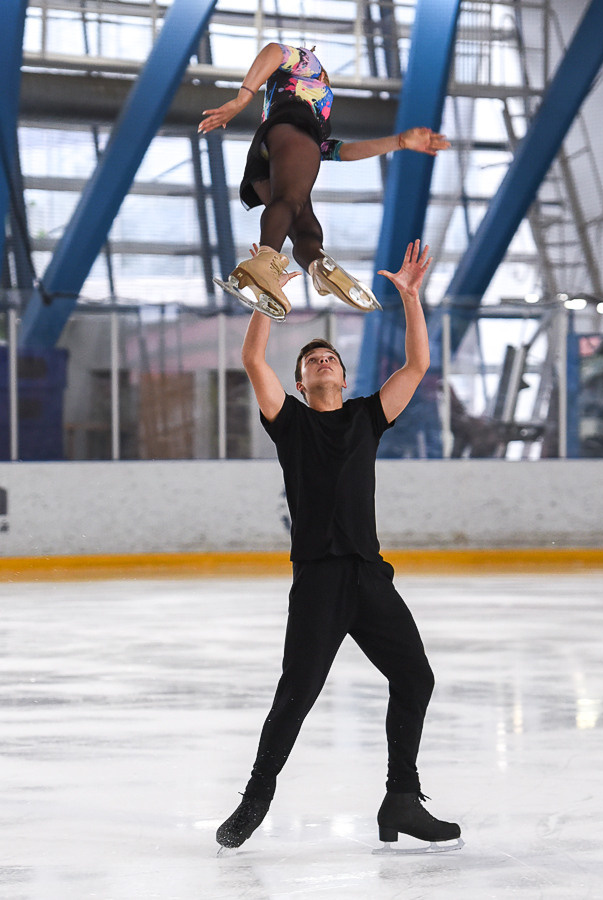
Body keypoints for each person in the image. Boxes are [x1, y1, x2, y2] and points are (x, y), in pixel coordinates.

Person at [216, 240, 462, 851]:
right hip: (320, 580)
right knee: (295, 695)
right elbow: (252, 359)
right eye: (312, 361)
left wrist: (409, 298)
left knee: (416, 678)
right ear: (299, 384)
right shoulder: (290, 423)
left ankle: (401, 799)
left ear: (344, 378)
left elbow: (415, 368)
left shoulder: (364, 417)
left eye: (330, 357)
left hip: (369, 578)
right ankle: (255, 800)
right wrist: (268, 301)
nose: (322, 362)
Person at [198, 43, 450, 319]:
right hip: (291, 132)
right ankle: (263, 264)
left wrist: (400, 141)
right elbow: (273, 50)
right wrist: (241, 100)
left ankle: (318, 268)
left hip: (269, 154)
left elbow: (341, 151)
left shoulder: (304, 110)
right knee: (291, 201)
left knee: (308, 230)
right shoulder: (311, 67)